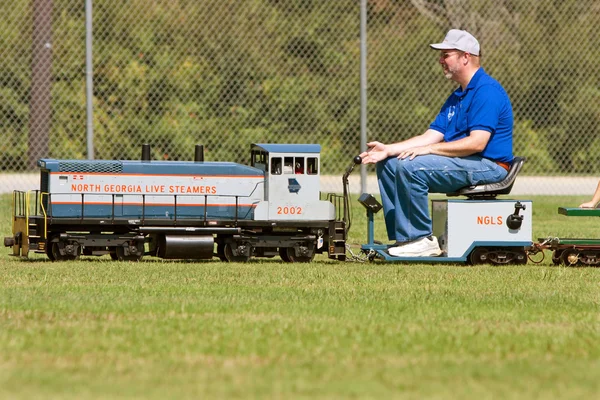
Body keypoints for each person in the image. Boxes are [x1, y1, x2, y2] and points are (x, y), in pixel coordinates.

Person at [360, 29, 514, 257]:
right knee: (390, 164)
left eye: (446, 54)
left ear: (465, 57)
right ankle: (404, 239)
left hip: (489, 165)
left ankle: (422, 239)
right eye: (440, 55)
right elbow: (430, 136)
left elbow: (477, 143)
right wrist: (388, 150)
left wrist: (428, 150)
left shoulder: (486, 91)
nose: (440, 60)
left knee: (410, 166)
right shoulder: (457, 97)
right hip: (469, 162)